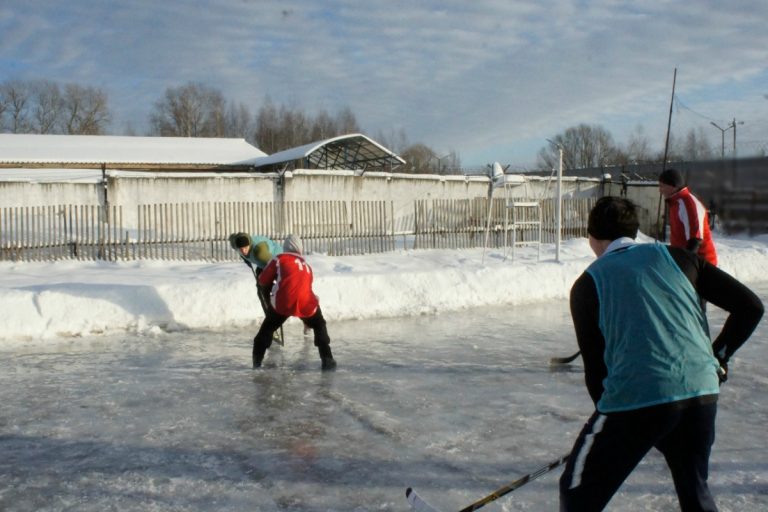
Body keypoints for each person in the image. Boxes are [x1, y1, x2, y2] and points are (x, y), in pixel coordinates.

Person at [560, 196, 763, 511]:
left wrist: (619, 430)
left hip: (637, 398)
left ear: (593, 238)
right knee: (695, 492)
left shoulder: (587, 284)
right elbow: (750, 307)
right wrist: (717, 359)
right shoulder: (679, 257)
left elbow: (597, 377)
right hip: (701, 390)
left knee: (576, 492)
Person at [253, 234, 336, 371]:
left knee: (267, 329)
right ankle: (327, 359)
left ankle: (257, 363)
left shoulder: (279, 258)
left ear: (285, 248)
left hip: (283, 303)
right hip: (306, 303)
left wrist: (270, 292)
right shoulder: (307, 266)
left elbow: (262, 280)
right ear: (300, 249)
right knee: (319, 324)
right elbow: (306, 288)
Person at [229, 232, 284, 342]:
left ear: (249, 244)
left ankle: (273, 318)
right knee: (261, 292)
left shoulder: (260, 252)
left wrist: (279, 281)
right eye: (241, 249)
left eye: (245, 248)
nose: (243, 251)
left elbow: (276, 265)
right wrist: (246, 259)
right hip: (262, 264)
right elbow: (231, 238)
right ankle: (270, 316)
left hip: (275, 261)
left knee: (267, 292)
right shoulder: (236, 243)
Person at [659, 168, 718, 266]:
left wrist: (685, 266)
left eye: (662, 186)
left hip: (701, 264)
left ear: (672, 185)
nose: (660, 190)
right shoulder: (675, 202)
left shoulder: (688, 204)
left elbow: (695, 241)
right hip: (686, 260)